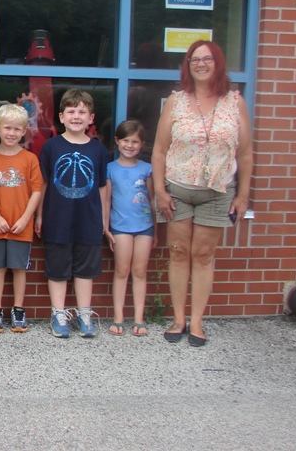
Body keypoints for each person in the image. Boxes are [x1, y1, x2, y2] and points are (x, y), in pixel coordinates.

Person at [152, 40, 252, 347]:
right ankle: (178, 319)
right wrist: (160, 191)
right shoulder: (176, 101)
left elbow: (245, 153)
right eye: (194, 59)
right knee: (179, 252)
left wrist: (242, 196)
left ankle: (196, 322)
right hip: (178, 190)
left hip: (218, 192)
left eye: (207, 58)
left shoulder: (234, 102)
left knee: (204, 255)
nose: (201, 64)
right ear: (188, 66)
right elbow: (159, 150)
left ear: (218, 63)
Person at [36, 89, 110, 339]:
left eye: (82, 112)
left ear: (91, 118)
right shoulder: (51, 147)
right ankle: (58, 314)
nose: (76, 116)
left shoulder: (98, 150)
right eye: (71, 111)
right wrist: (39, 215)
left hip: (88, 219)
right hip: (57, 218)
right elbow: (44, 184)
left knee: (85, 270)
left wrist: (103, 220)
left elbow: (102, 187)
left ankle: (84, 314)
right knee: (57, 269)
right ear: (61, 116)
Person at [0, 104, 43, 334]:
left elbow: (36, 191)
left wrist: (26, 218)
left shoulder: (30, 159)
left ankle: (18, 310)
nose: (11, 133)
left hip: (21, 225)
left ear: (24, 130)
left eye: (17, 129)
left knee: (19, 269)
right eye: (7, 128)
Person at [104, 120, 155, 337]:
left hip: (144, 227)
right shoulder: (110, 168)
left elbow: (152, 200)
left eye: (135, 142)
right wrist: (105, 227)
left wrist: (156, 229)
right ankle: (118, 318)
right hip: (120, 227)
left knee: (140, 272)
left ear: (142, 144)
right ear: (117, 141)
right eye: (126, 140)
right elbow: (106, 200)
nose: (130, 145)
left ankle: (139, 319)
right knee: (122, 271)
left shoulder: (147, 169)